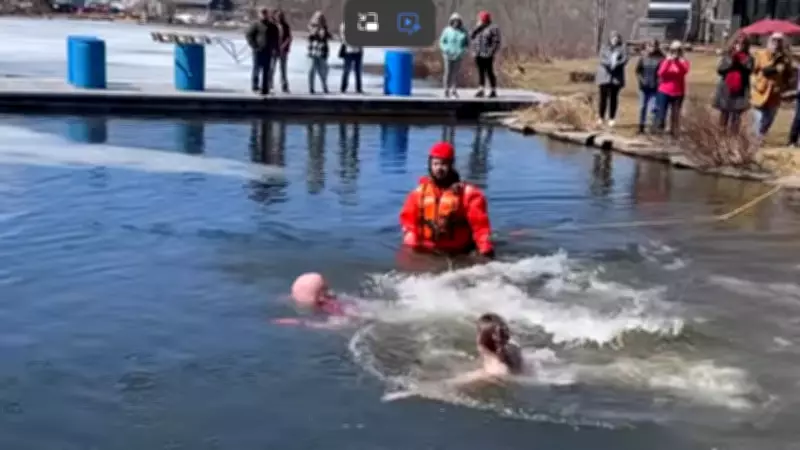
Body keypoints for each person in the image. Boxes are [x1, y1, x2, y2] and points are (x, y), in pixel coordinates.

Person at [398, 141, 494, 258]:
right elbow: (408, 223)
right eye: (435, 164)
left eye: (443, 164)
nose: (439, 168)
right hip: (427, 249)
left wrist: (486, 250)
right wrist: (410, 251)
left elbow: (480, 227)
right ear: (430, 165)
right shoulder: (418, 193)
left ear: (451, 165)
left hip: (458, 251)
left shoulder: (468, 194)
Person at [272, 272, 356, 328]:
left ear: (320, 297)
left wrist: (300, 322)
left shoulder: (332, 307)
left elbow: (339, 324)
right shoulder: (331, 299)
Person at [751, 32, 793, 139]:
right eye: (774, 41)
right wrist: (755, 83)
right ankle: (756, 140)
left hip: (775, 93)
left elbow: (788, 75)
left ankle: (760, 136)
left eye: (779, 42)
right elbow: (753, 71)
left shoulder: (784, 58)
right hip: (761, 91)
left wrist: (788, 62)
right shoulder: (761, 54)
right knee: (759, 120)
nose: (776, 44)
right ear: (769, 42)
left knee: (768, 119)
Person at [713, 34, 754, 133]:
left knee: (736, 116)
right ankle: (721, 136)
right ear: (734, 44)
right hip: (726, 90)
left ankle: (733, 137)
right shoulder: (728, 56)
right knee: (724, 115)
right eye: (738, 43)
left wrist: (739, 63)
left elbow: (748, 71)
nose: (740, 45)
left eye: (743, 43)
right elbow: (720, 70)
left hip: (740, 91)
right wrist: (732, 61)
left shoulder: (749, 58)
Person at [654, 40, 690, 136]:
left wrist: (679, 61)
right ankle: (659, 132)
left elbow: (684, 71)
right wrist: (668, 60)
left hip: (678, 92)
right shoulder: (665, 61)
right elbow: (660, 73)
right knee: (661, 114)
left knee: (675, 115)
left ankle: (674, 133)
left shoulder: (683, 62)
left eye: (678, 50)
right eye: (674, 50)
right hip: (664, 91)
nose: (676, 53)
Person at [595, 31, 629, 128]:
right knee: (603, 98)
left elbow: (625, 59)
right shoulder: (604, 47)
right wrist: (609, 64)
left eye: (616, 38)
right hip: (604, 76)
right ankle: (601, 117)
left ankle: (611, 118)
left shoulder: (622, 48)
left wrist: (617, 64)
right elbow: (601, 58)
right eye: (613, 38)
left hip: (616, 77)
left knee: (613, 98)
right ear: (610, 39)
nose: (615, 40)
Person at [245, 8, 280, 95]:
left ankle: (265, 87)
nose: (264, 15)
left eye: (266, 13)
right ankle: (255, 86)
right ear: (259, 15)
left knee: (266, 70)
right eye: (262, 14)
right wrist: (254, 46)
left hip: (268, 51)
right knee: (256, 68)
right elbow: (249, 35)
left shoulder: (273, 26)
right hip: (258, 50)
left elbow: (276, 39)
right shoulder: (256, 24)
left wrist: (276, 49)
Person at [634, 39, 665, 134]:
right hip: (643, 87)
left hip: (655, 87)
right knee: (642, 106)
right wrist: (641, 80)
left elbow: (662, 73)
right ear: (647, 47)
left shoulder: (661, 58)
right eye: (650, 46)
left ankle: (652, 127)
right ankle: (641, 126)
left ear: (657, 47)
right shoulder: (643, 58)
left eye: (654, 46)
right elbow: (637, 71)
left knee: (653, 108)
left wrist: (658, 82)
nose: (652, 48)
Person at [469, 11, 501, 98]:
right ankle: (481, 89)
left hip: (487, 54)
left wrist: (491, 51)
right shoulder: (478, 28)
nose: (479, 20)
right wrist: (477, 27)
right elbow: (471, 36)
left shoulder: (493, 28)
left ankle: (493, 90)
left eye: (481, 19)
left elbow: (496, 41)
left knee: (489, 72)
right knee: (480, 71)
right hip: (478, 53)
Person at [439, 12, 469, 98]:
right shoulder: (447, 30)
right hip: (448, 55)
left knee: (455, 73)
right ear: (451, 21)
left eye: (458, 21)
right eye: (454, 21)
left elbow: (466, 44)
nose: (456, 23)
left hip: (458, 56)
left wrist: (462, 51)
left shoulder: (464, 31)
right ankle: (446, 90)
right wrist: (445, 49)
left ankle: (454, 90)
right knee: (448, 72)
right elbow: (441, 42)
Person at [307, 11, 332, 94]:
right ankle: (311, 88)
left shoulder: (324, 28)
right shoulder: (311, 27)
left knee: (323, 71)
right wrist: (315, 31)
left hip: (322, 52)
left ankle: (324, 86)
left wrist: (324, 33)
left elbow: (329, 37)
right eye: (317, 18)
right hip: (313, 52)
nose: (318, 20)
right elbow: (310, 37)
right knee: (311, 70)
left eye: (320, 18)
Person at [271, 9, 292, 94]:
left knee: (283, 69)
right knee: (271, 68)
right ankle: (269, 84)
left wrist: (284, 46)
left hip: (283, 50)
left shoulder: (285, 26)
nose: (279, 17)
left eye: (280, 16)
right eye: (277, 15)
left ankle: (284, 85)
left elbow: (289, 37)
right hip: (274, 50)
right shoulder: (272, 25)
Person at [338, 22, 364, 94]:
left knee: (358, 71)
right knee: (346, 70)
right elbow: (343, 37)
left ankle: (358, 88)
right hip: (348, 51)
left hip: (358, 51)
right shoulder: (344, 24)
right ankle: (343, 88)